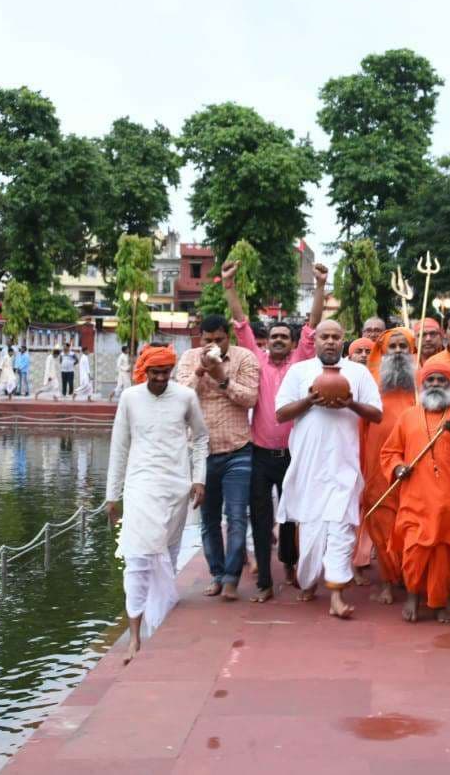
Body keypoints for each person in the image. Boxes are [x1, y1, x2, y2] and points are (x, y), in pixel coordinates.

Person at [223, 259, 326, 601]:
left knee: (292, 515)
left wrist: (321, 286)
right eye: (274, 336)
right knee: (262, 518)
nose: (279, 340)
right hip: (260, 453)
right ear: (267, 341)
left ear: (293, 342)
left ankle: (291, 567)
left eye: (285, 336)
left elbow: (313, 324)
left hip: (294, 456)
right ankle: (266, 582)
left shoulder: (300, 363)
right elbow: (240, 324)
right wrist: (229, 286)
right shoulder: (254, 359)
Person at [106, 345, 210, 664]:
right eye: (155, 373)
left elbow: (202, 437)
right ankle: (135, 635)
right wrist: (112, 496)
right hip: (139, 486)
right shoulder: (130, 398)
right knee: (138, 558)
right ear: (145, 371)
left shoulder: (185, 397)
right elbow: (119, 447)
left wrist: (199, 479)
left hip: (177, 488)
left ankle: (160, 620)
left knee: (167, 557)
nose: (161, 378)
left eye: (166, 372)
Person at [275, 319, 383, 619]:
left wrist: (350, 403)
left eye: (337, 336)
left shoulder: (358, 373)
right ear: (316, 340)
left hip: (343, 465)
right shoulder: (298, 372)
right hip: (308, 466)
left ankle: (336, 593)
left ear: (344, 339)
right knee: (310, 531)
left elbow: (376, 414)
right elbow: (281, 414)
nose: (331, 342)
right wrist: (310, 399)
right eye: (325, 337)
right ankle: (308, 581)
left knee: (341, 528)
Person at [382, 359, 450, 623]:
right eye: (430, 380)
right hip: (415, 500)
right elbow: (390, 452)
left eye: (441, 380)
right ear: (423, 384)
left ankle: (439, 603)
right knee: (413, 552)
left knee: (444, 557)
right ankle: (412, 596)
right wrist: (397, 469)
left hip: (449, 503)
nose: (435, 384)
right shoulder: (408, 416)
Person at [174, 314, 260, 601]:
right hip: (201, 453)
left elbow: (251, 399)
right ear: (201, 339)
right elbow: (179, 397)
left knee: (236, 517)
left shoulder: (244, 357)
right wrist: (201, 370)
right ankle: (217, 574)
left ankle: (232, 577)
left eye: (219, 339)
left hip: (238, 449)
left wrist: (223, 379)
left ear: (228, 338)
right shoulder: (188, 358)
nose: (213, 344)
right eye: (208, 340)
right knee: (208, 519)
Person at [358, 327, 417, 604]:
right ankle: (387, 580)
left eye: (402, 346)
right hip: (377, 469)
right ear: (382, 352)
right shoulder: (369, 382)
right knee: (381, 526)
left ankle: (409, 576)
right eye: (391, 347)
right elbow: (360, 430)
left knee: (410, 525)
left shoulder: (421, 383)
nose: (397, 352)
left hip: (413, 468)